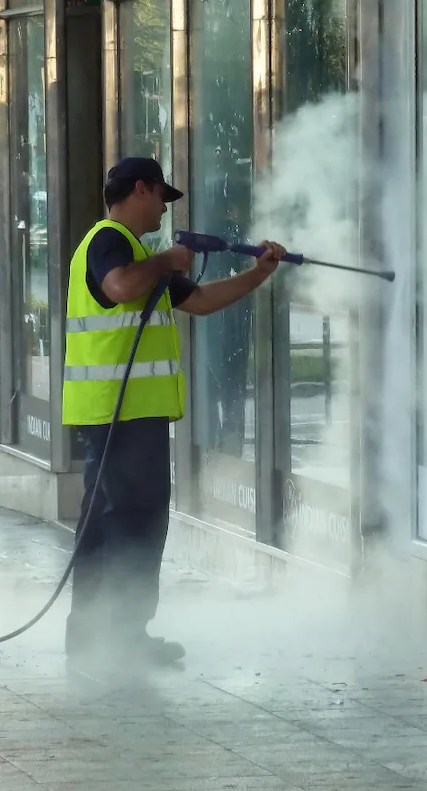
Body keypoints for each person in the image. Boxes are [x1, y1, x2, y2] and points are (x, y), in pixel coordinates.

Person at [62, 156, 285, 672]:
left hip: (125, 415)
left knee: (117, 524)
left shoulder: (137, 253)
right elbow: (118, 286)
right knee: (129, 526)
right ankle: (117, 640)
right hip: (121, 415)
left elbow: (202, 300)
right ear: (140, 190)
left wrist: (258, 273)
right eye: (162, 196)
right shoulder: (109, 241)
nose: (165, 207)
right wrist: (166, 262)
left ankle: (105, 638)